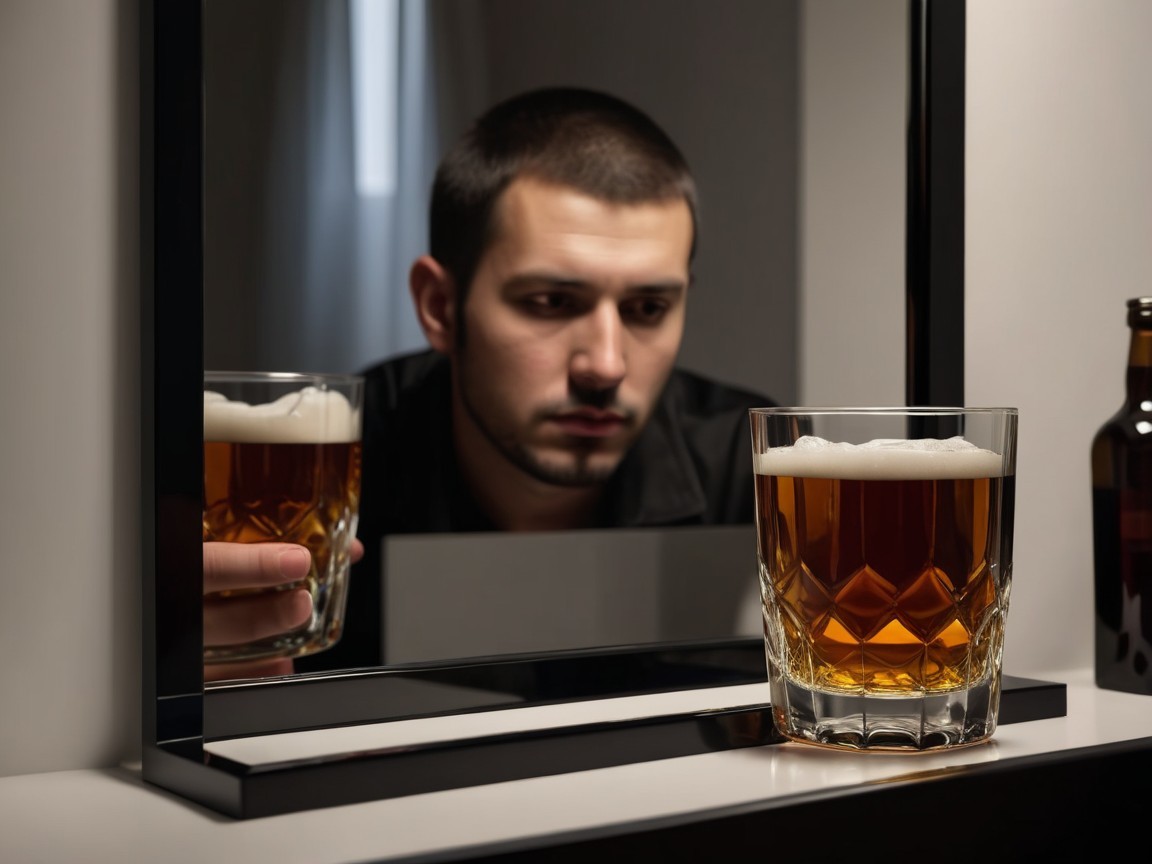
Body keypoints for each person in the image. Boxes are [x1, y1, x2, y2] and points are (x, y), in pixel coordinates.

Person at [205, 86, 776, 681]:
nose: (606, 366)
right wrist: (182, 666)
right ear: (440, 308)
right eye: (551, 302)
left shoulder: (750, 472)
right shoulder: (323, 470)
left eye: (648, 308)